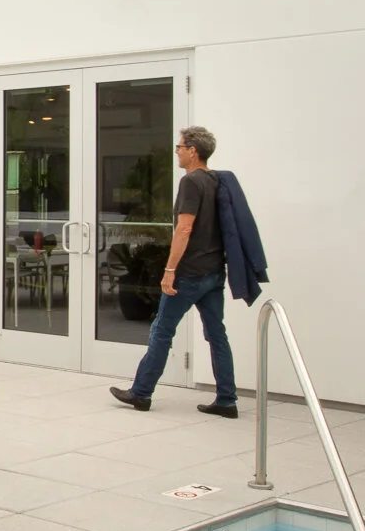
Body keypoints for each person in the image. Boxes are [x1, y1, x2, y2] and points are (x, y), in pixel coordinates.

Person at [111, 124, 268, 417]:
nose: (177, 152)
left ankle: (141, 393)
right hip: (213, 273)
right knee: (217, 334)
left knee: (161, 330)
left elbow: (184, 228)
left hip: (190, 273)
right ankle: (226, 400)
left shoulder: (191, 182)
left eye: (179, 147)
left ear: (193, 151)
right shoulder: (216, 181)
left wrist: (170, 270)